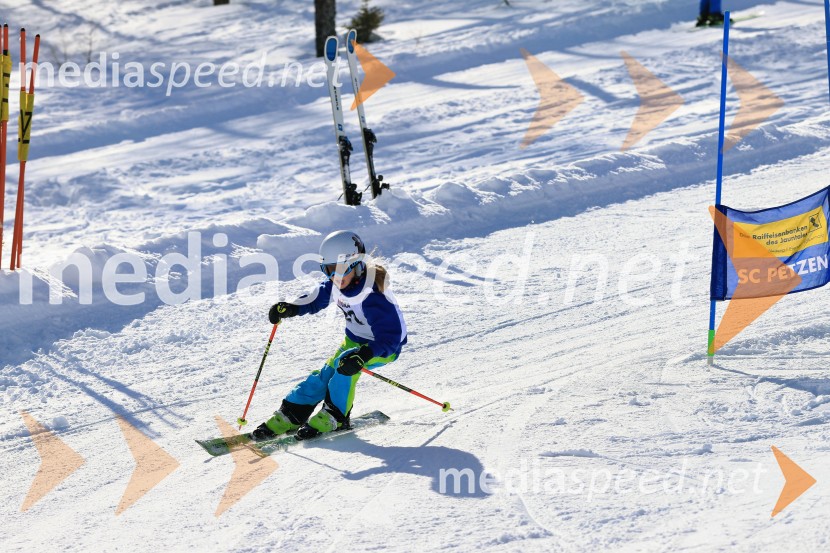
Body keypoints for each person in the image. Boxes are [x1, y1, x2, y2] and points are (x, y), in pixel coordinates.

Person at [252, 230, 407, 441]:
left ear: (357, 264)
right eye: (329, 270)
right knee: (324, 375)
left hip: (382, 347)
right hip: (353, 341)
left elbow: (391, 337)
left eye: (342, 269)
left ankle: (336, 417)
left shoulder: (372, 296)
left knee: (344, 369)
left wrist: (365, 354)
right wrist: (290, 308)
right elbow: (315, 299)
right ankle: (291, 414)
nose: (336, 276)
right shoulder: (336, 285)